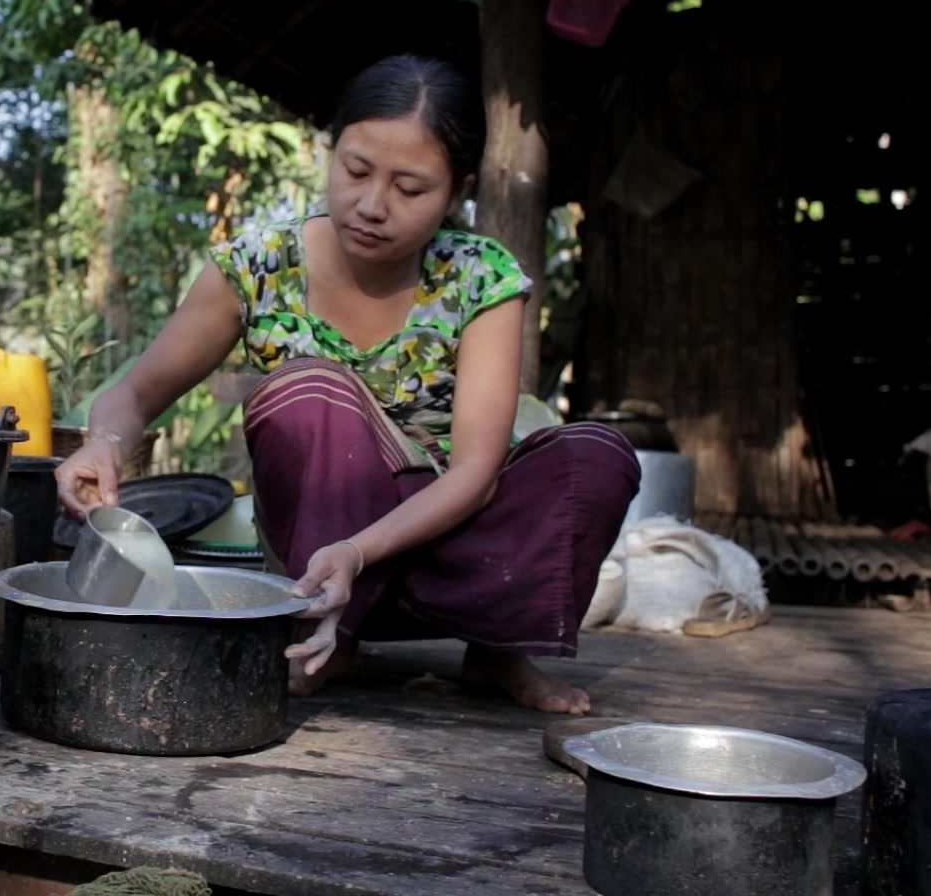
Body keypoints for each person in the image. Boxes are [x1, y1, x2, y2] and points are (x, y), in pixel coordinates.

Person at [54, 53, 639, 715]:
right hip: (317, 567)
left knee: (597, 455)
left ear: (458, 191)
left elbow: (475, 471)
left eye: (410, 188)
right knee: (309, 390)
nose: (371, 205)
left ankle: (497, 651)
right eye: (355, 170)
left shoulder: (482, 278)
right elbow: (134, 394)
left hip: (449, 556)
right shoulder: (259, 265)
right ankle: (331, 636)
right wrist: (103, 440)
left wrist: (359, 552)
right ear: (332, 152)